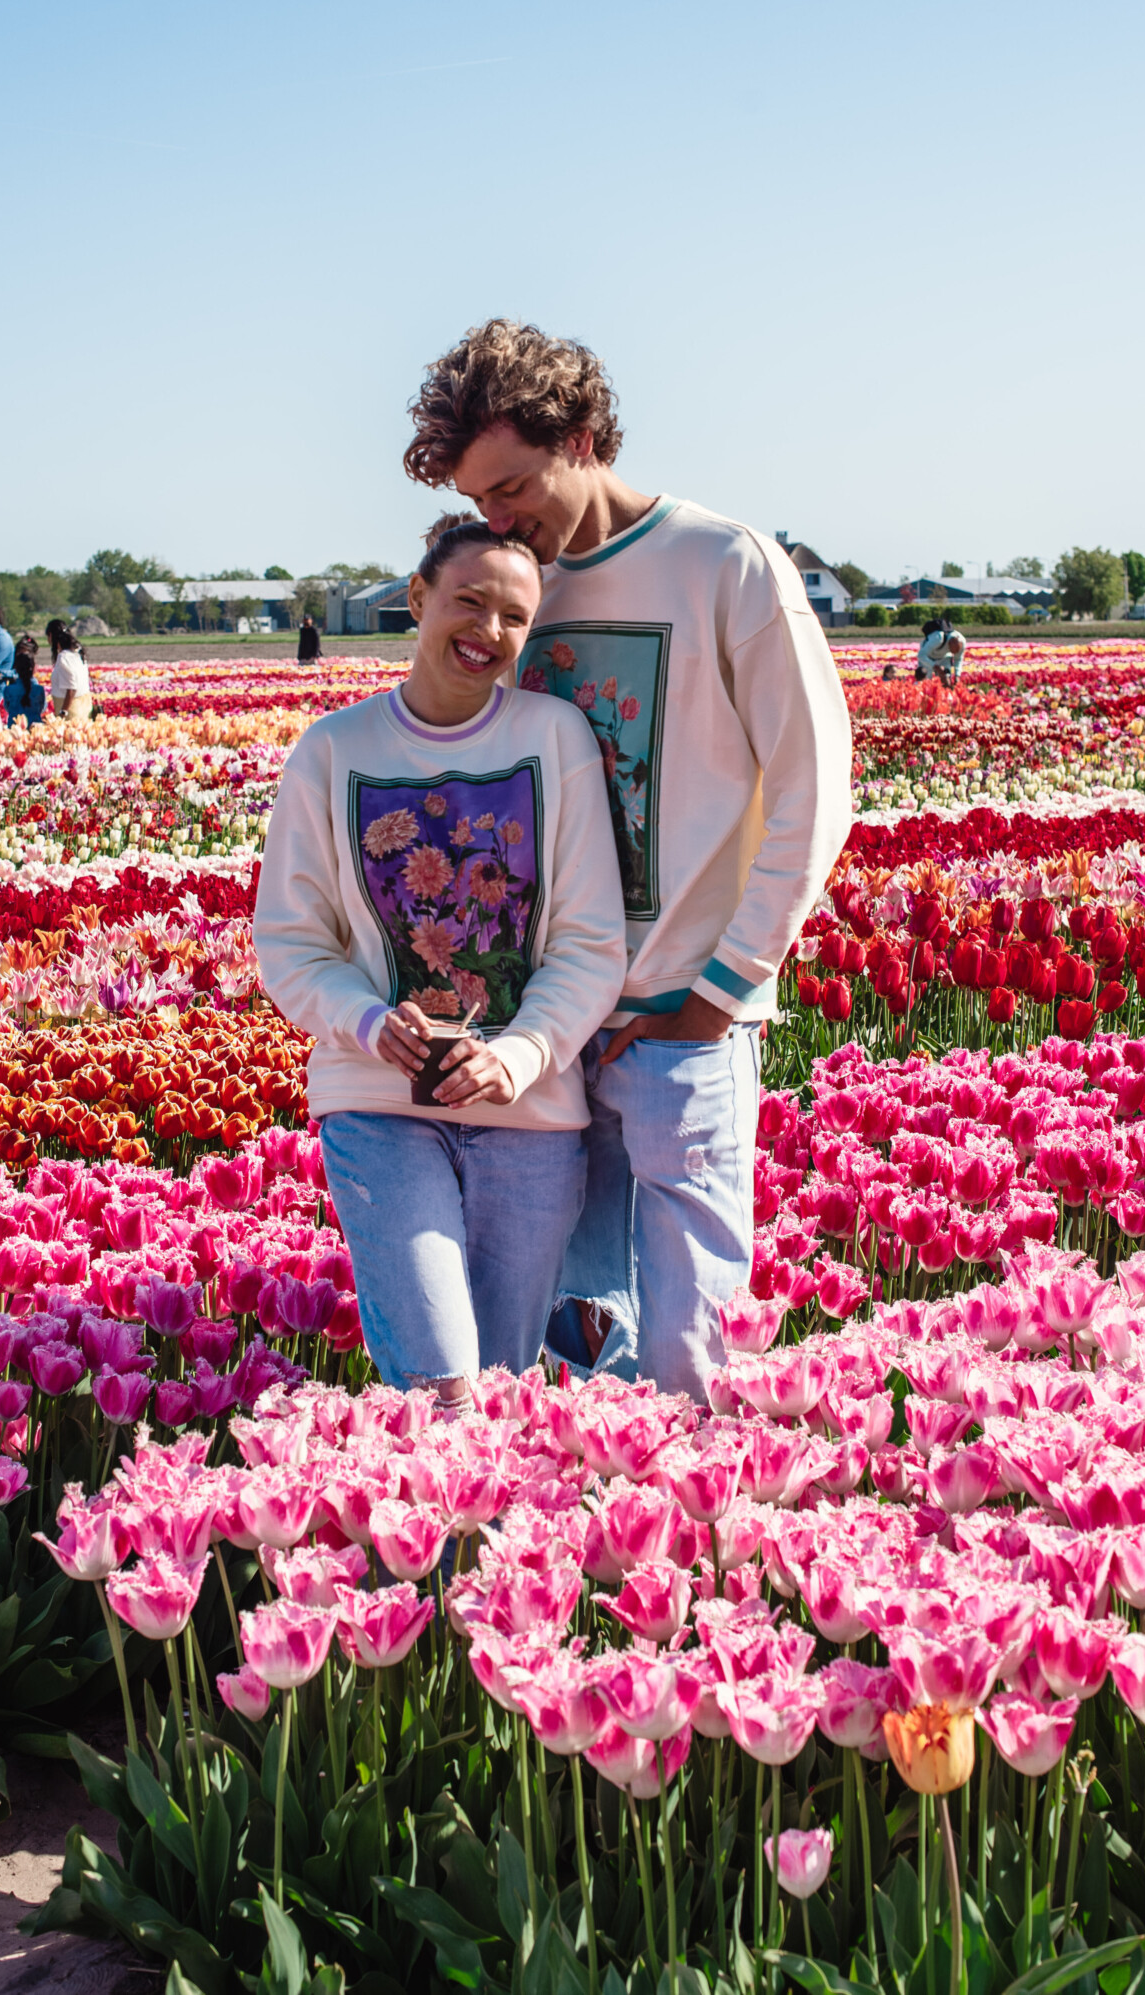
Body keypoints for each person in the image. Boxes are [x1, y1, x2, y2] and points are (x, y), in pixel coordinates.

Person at [404, 319, 853, 1403]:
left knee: (688, 1353)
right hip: (548, 1025)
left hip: (677, 1018)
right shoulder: (518, 589)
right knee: (569, 1337)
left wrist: (723, 989)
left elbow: (816, 786)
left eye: (512, 488)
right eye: (478, 504)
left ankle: (688, 1559)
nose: (499, 522)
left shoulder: (722, 564)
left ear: (587, 436)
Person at [254, 515, 625, 1413]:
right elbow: (292, 943)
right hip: (378, 1102)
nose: (488, 631)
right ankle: (421, 1554)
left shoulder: (554, 737)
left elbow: (589, 942)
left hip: (529, 1111)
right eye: (469, 601)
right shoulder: (333, 752)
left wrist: (518, 1054)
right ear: (416, 598)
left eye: (514, 616)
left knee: (497, 1393)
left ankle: (470, 1560)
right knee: (444, 1388)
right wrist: (373, 1023)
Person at [46, 619, 92, 722]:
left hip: (71, 710)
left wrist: (63, 712)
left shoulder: (64, 657)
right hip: (84, 705)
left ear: (51, 635)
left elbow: (71, 689)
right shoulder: (78, 651)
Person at [3, 635, 47, 726]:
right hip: (35, 726)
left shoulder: (9, 689)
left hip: (15, 727)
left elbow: (7, 707)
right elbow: (42, 708)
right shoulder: (39, 689)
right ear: (33, 667)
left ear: (16, 667)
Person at [916, 617, 965, 685]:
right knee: (926, 682)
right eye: (952, 650)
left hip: (944, 657)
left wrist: (957, 676)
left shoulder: (962, 641)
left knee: (946, 679)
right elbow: (921, 655)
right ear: (949, 643)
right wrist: (936, 667)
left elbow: (958, 659)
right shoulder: (938, 638)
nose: (954, 653)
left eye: (955, 652)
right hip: (928, 657)